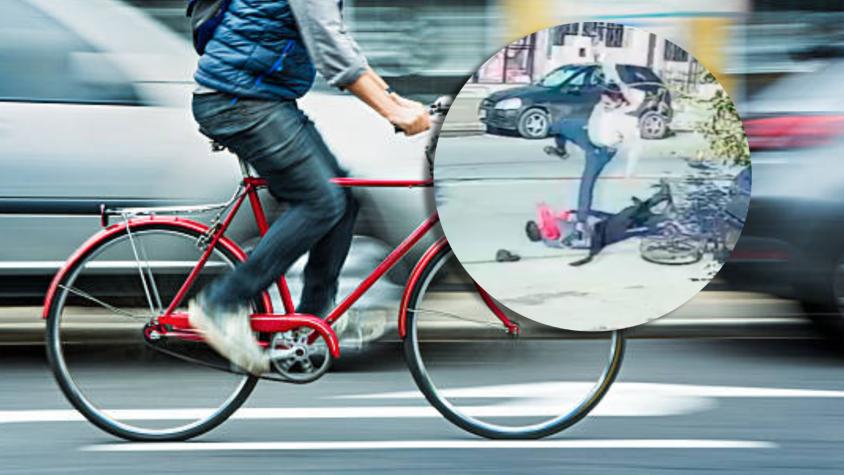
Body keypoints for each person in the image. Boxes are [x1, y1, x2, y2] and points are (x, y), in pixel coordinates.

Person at [188, 0, 431, 375]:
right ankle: (222, 304)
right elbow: (330, 47)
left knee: (344, 198)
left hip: (259, 99)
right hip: (239, 101)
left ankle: (308, 325)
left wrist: (392, 97)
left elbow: (338, 40)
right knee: (321, 202)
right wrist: (390, 111)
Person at [544, 77, 643, 248]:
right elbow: (611, 74)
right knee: (559, 125)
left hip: (600, 152)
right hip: (587, 135)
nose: (604, 106)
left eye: (608, 104)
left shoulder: (627, 119)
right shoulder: (604, 100)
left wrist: (629, 172)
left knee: (586, 183)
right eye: (603, 102)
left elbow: (635, 148)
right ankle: (561, 150)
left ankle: (581, 225)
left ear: (620, 101)